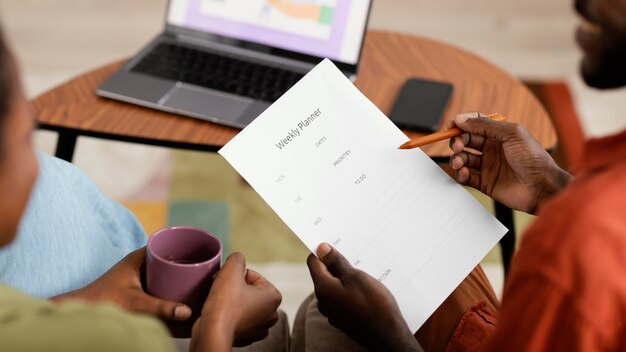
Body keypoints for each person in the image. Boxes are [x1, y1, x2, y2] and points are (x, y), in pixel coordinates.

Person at [302, 0, 626, 350]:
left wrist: (390, 338)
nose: (582, 4)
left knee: (322, 310)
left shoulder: (572, 249)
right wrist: (552, 189)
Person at [0, 27, 283, 351]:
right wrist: (218, 328)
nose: (38, 165)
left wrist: (89, 301)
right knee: (56, 185)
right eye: (26, 139)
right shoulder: (129, 340)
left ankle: (141, 287)